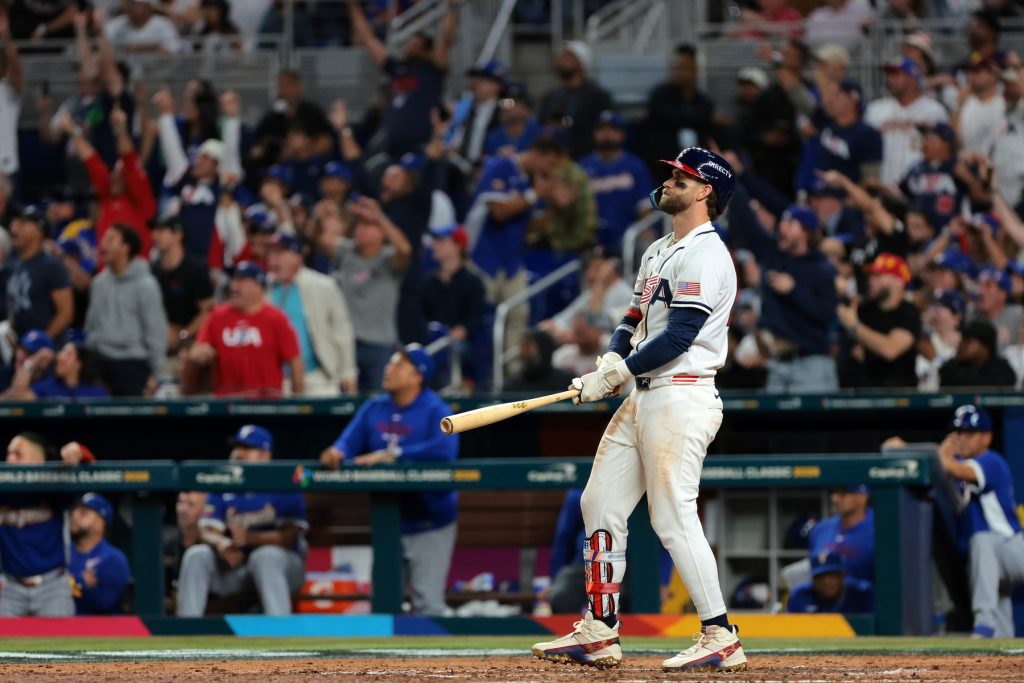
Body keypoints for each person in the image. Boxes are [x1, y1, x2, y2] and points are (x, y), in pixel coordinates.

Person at [533, 147, 746, 671]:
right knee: (599, 502)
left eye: (682, 176)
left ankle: (720, 633)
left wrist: (618, 372)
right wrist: (612, 356)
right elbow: (632, 319)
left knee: (672, 516)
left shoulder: (706, 253)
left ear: (704, 193)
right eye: (673, 172)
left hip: (683, 392)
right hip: (644, 395)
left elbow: (679, 334)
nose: (670, 179)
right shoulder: (657, 251)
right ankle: (600, 630)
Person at [320, 345, 458, 616]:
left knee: (428, 605)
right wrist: (336, 452)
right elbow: (347, 442)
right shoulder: (375, 407)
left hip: (430, 519)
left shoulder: (436, 408)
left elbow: (445, 451)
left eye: (398, 365)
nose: (388, 368)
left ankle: (438, 661)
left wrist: (394, 455)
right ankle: (387, 662)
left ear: (417, 375)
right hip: (388, 520)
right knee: (384, 605)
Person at [176, 425, 308, 616]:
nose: (239, 453)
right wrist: (221, 543)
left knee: (265, 557)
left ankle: (280, 631)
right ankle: (185, 632)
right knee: (198, 554)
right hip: (234, 566)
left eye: (247, 448)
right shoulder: (221, 481)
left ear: (265, 456)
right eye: (237, 447)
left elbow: (290, 537)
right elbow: (206, 529)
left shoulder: (283, 482)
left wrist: (251, 538)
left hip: (281, 570)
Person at [728, 184, 839, 393]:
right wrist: (732, 179)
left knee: (815, 426)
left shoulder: (821, 268)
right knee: (773, 426)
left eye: (790, 223)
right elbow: (748, 222)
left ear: (805, 231)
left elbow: (827, 315)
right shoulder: (773, 254)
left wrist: (794, 290)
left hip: (812, 365)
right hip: (778, 365)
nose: (782, 227)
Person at [937, 405, 1024, 638]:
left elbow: (954, 469)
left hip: (1013, 548)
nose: (961, 439)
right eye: (958, 433)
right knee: (1000, 604)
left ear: (987, 437)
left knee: (982, 539)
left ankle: (983, 623)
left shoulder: (990, 461)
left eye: (969, 433)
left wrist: (943, 453)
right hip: (998, 556)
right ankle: (1003, 654)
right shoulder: (966, 463)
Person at [347, 0, 457, 158]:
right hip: (393, 143)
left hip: (423, 143)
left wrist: (452, 9)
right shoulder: (395, 68)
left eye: (417, 46)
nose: (411, 48)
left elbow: (446, 41)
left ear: (427, 52)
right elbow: (368, 40)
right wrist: (353, 7)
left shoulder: (432, 70)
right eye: (410, 44)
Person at [0, 434, 95, 617]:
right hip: (9, 588)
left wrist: (77, 452)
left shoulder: (54, 488)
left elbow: (88, 469)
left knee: (61, 644)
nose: (10, 459)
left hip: (52, 587)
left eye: (18, 454)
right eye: (8, 453)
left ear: (39, 460)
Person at [190, 261, 303, 397]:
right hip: (226, 405)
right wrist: (199, 354)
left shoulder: (277, 319)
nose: (234, 286)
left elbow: (294, 360)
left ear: (258, 286)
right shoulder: (218, 317)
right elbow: (199, 348)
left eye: (241, 281)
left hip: (268, 405)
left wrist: (298, 400)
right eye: (234, 280)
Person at [333, 197, 412, 392]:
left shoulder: (388, 258)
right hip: (347, 343)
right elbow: (318, 239)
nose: (362, 230)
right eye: (360, 225)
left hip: (380, 344)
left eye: (369, 226)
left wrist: (380, 217)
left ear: (382, 232)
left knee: (382, 400)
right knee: (344, 404)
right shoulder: (347, 252)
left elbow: (405, 249)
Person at [267, 232, 357, 396]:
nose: (273, 260)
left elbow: (342, 330)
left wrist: (348, 372)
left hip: (319, 377)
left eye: (279, 253)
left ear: (297, 257)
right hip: (277, 379)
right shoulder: (262, 290)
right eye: (271, 253)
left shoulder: (324, 286)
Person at [64, 103, 156, 261]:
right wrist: (73, 130)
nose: (114, 176)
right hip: (106, 276)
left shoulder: (141, 202)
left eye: (120, 174)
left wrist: (120, 129)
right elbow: (92, 162)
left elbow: (129, 159)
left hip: (134, 274)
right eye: (114, 173)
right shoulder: (107, 196)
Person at [85, 224, 168, 397]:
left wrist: (155, 374)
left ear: (126, 247)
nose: (103, 245)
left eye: (111, 240)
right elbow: (91, 327)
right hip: (101, 363)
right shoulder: (98, 283)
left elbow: (156, 332)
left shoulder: (146, 285)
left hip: (133, 365)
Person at [837, 253, 920, 388]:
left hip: (899, 397)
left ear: (898, 281)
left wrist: (855, 326)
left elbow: (890, 350)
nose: (871, 280)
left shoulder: (908, 312)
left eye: (878, 276)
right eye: (871, 276)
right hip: (860, 392)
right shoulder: (864, 310)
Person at [864, 56, 948, 187]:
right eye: (889, 75)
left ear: (913, 78)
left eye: (896, 75)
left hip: (921, 187)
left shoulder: (934, 110)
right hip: (885, 187)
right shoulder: (875, 109)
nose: (890, 79)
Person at [580, 111, 653, 255]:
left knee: (647, 241)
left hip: (627, 235)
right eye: (602, 129)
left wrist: (645, 229)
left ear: (622, 134)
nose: (607, 134)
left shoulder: (636, 166)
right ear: (594, 134)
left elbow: (645, 208)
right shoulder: (582, 167)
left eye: (613, 129)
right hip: (590, 236)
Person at [644, 45, 720, 167]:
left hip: (697, 166)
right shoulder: (661, 95)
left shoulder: (703, 101)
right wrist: (703, 118)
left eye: (684, 68)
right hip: (665, 164)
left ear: (695, 71)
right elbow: (670, 117)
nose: (679, 72)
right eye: (677, 68)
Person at [150, 217, 215, 358]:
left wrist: (183, 334)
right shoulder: (153, 270)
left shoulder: (195, 269)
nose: (154, 236)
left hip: (189, 339)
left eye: (161, 231)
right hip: (158, 338)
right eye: (154, 231)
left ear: (177, 235)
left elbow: (208, 311)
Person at [7, 205, 73, 341]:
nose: (14, 228)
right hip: (19, 351)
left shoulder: (51, 266)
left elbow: (66, 313)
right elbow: (12, 304)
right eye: (15, 223)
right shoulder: (14, 264)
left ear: (39, 230)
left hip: (45, 355)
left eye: (23, 223)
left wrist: (41, 341)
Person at [538, 41, 612, 159]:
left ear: (582, 62)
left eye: (568, 57)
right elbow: (543, 123)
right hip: (556, 158)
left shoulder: (597, 95)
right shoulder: (551, 96)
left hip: (586, 157)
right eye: (561, 57)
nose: (561, 61)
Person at [69, 493, 132, 615]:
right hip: (61, 630)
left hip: (101, 631)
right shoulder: (62, 555)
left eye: (83, 513)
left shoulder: (113, 558)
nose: (74, 515)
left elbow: (103, 602)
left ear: (100, 523)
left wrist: (66, 584)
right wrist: (81, 581)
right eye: (74, 511)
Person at [808, 486, 875, 583]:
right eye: (834, 492)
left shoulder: (878, 529)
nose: (834, 498)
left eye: (843, 493)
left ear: (862, 496)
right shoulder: (820, 530)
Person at [7, 340, 109, 401]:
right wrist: (34, 360)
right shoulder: (47, 387)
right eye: (60, 352)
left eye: (67, 353)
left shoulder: (95, 392)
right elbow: (18, 394)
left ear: (79, 363)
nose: (59, 357)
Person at [786, 550, 874, 614]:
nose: (826, 581)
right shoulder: (800, 595)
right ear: (812, 579)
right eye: (820, 576)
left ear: (842, 575)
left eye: (831, 575)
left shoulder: (861, 593)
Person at [939, 320, 1016, 388]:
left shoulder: (1002, 370)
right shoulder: (951, 368)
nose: (961, 345)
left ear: (984, 346)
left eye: (968, 341)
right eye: (962, 339)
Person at [973, 266, 1023, 351]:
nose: (980, 291)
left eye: (988, 286)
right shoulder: (972, 315)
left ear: (1002, 294)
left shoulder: (1018, 315)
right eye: (980, 285)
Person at [104, 0, 182, 54]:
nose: (129, 6)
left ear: (148, 6)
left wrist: (149, 49)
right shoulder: (115, 26)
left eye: (134, 3)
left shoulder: (164, 24)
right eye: (127, 3)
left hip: (160, 74)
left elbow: (175, 53)